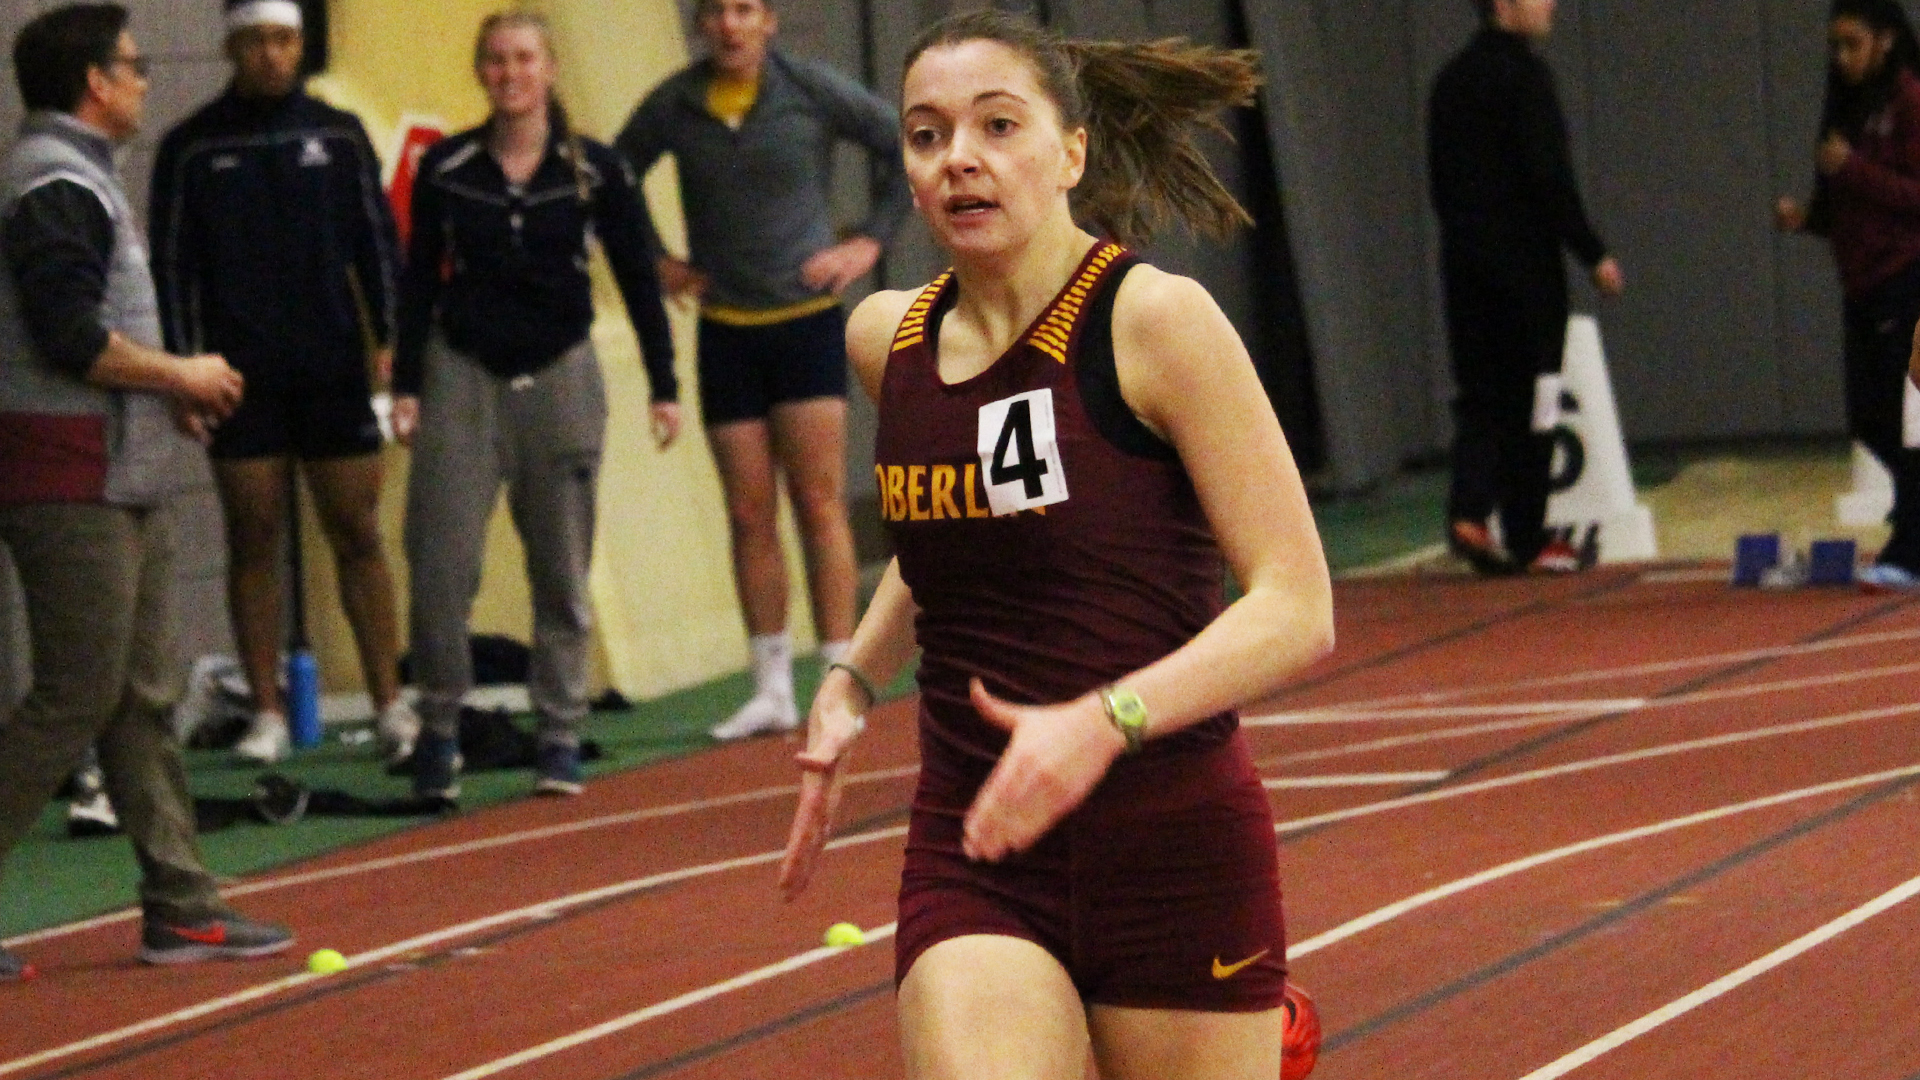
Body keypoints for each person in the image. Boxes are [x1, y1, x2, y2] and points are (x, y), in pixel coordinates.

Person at [775, 11, 1334, 1078]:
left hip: (1172, 851)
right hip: (978, 847)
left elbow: (1297, 607)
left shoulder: (1156, 324)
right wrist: (852, 678)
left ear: (1071, 151)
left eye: (997, 125)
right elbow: (945, 546)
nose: (960, 160)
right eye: (928, 135)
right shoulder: (885, 342)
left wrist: (1101, 723)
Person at [0, 2, 292, 981]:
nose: (142, 78)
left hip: (117, 469)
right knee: (78, 693)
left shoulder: (82, 178)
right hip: (67, 477)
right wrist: (181, 376)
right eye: (132, 65)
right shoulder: (51, 183)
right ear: (93, 81)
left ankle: (183, 908)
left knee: (139, 699)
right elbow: (69, 337)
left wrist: (167, 398)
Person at [392, 9, 680, 800]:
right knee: (442, 566)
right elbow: (418, 279)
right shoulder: (449, 166)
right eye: (495, 61)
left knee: (561, 568)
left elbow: (636, 273)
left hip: (559, 374)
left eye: (524, 59)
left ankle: (558, 731)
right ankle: (440, 729)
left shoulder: (595, 169)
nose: (510, 73)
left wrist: (664, 385)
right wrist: (407, 384)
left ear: (549, 70)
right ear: (481, 73)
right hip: (462, 373)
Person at [615, 0, 912, 741]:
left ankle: (844, 675)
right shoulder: (675, 104)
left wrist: (867, 243)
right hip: (726, 332)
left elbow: (902, 144)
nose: (729, 25)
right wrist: (659, 263)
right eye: (715, 12)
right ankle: (771, 687)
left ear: (769, 20)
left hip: (805, 324)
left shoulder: (809, 89)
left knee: (818, 504)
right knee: (749, 513)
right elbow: (611, 178)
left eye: (744, 9)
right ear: (701, 26)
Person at [150, 0, 415, 764]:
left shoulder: (336, 134)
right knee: (253, 539)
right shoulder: (192, 148)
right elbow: (173, 268)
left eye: (284, 40)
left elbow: (377, 245)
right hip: (239, 375)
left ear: (300, 44)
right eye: (257, 41)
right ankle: (265, 712)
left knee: (359, 535)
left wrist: (394, 344)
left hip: (332, 365)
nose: (272, 54)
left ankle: (390, 704)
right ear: (233, 46)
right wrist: (180, 370)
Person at [1428, 0, 1624, 575]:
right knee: (1537, 398)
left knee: (1482, 392)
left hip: (1463, 265)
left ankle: (1469, 510)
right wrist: (1592, 251)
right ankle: (1529, 534)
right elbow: (1549, 176)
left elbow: (1442, 183)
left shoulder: (1450, 81)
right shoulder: (1527, 77)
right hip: (1525, 270)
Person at [1777, 0, 1920, 591]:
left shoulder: (1910, 100)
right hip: (1862, 282)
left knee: (1906, 419)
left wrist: (1852, 169)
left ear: (1884, 42)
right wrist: (1809, 217)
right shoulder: (1852, 109)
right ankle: (1911, 516)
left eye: (1852, 44)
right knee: (1869, 420)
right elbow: (1853, 209)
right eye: (1834, 46)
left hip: (1907, 275)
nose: (1841, 58)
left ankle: (1912, 546)